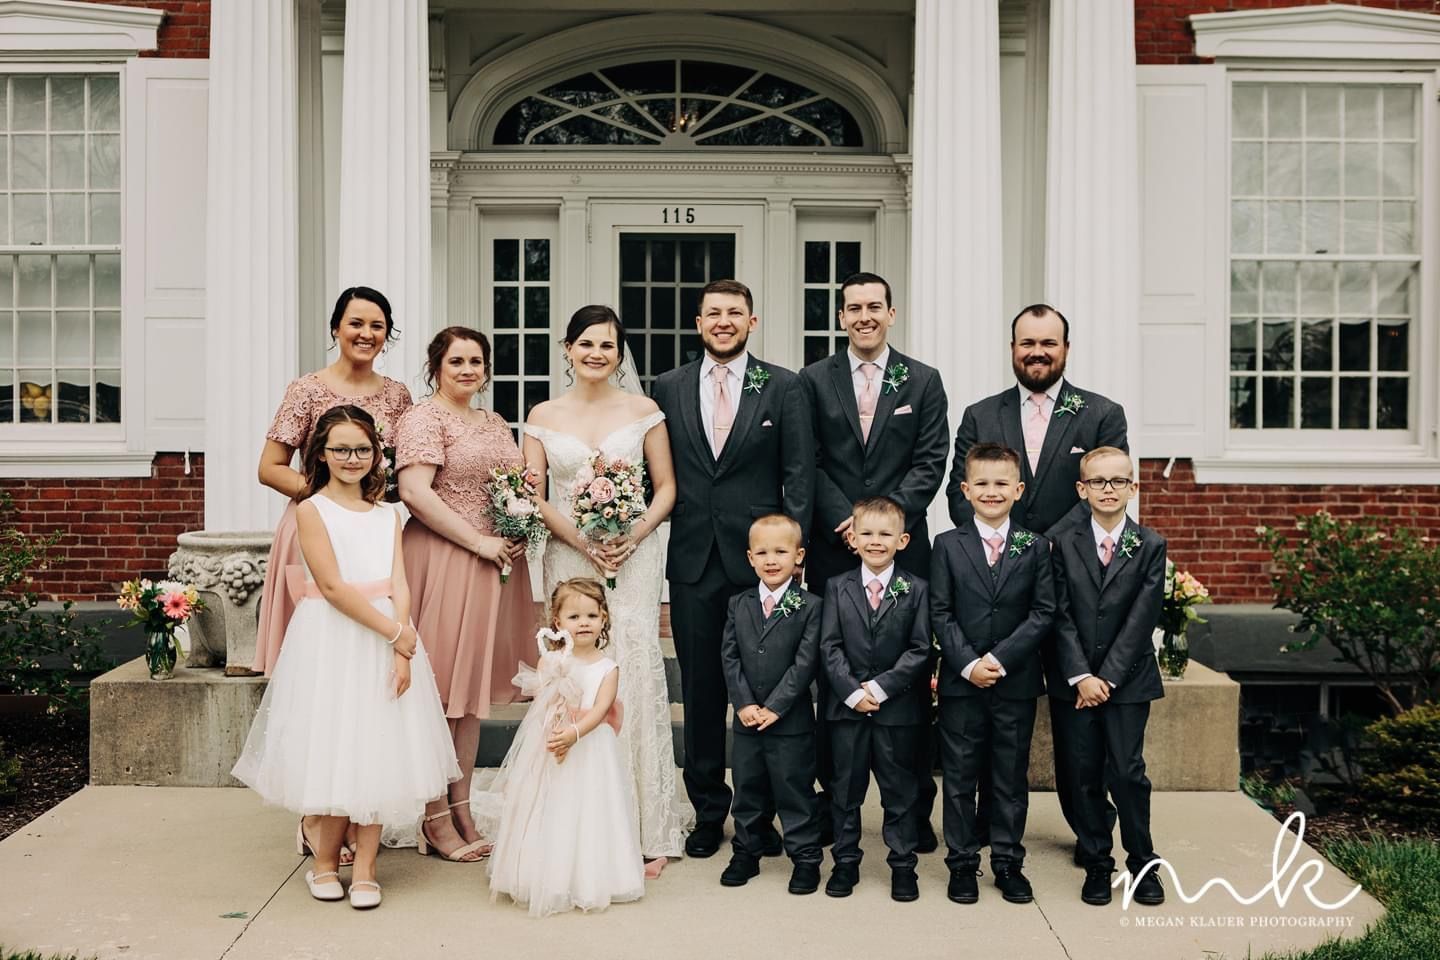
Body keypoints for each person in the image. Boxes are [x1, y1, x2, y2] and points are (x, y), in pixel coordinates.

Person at [232, 405, 459, 910]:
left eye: (362, 449)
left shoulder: (387, 515)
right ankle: (325, 863)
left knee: (376, 750)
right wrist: (393, 631)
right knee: (337, 748)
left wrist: (402, 646)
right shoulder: (312, 510)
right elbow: (333, 587)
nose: (352, 458)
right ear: (321, 454)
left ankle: (368, 870)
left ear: (376, 454)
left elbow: (399, 581)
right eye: (341, 449)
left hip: (387, 638)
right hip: (335, 638)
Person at [943, 302, 1127, 853]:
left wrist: (1038, 549)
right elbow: (959, 494)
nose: (1038, 352)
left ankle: (1092, 835)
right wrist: (1010, 554)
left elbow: (1102, 493)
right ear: (1012, 349)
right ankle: (983, 830)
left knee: (1076, 726)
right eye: (1028, 343)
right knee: (991, 713)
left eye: (1049, 343)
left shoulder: (1101, 414)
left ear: (1066, 349)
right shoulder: (981, 414)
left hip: (1072, 591)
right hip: (995, 593)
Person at [651, 279, 814, 859]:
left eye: (735, 313)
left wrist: (791, 561)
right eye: (714, 313)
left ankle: (759, 815)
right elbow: (653, 472)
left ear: (752, 321)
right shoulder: (667, 387)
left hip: (762, 565)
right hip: (693, 559)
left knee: (764, 688)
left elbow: (799, 475)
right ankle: (706, 812)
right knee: (700, 691)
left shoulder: (785, 386)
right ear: (698, 323)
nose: (724, 321)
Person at [522, 305, 689, 865]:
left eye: (608, 346)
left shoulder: (643, 411)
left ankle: (642, 825)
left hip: (632, 557)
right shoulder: (542, 414)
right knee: (573, 667)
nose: (597, 354)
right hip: (570, 555)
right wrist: (582, 540)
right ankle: (573, 821)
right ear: (567, 349)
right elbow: (535, 496)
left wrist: (632, 537)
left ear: (620, 355)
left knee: (630, 667)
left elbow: (666, 488)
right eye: (587, 343)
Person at [799, 271, 949, 851]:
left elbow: (931, 460)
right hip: (835, 548)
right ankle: (832, 804)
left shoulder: (924, 380)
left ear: (891, 313)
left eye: (874, 306)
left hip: (903, 550)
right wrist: (848, 521)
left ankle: (913, 809)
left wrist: (884, 523)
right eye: (853, 308)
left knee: (909, 678)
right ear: (841, 317)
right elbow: (809, 459)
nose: (864, 316)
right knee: (832, 671)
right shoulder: (815, 380)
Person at [395, 327, 536, 862]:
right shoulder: (424, 418)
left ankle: (462, 807)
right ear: (436, 366)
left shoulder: (494, 421)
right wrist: (478, 540)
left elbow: (512, 487)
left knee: (470, 698)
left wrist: (517, 528)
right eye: (456, 361)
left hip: (493, 564)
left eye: (476, 361)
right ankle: (434, 816)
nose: (468, 369)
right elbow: (414, 492)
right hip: (444, 558)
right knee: (439, 694)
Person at [254, 287, 413, 677]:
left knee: (373, 653)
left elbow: (401, 467)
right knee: (316, 655)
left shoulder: (397, 395)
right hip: (316, 525)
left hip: (372, 530)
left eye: (377, 326)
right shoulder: (307, 390)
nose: (366, 334)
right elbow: (270, 467)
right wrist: (332, 500)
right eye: (356, 323)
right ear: (335, 329)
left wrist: (370, 500)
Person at [929, 443, 1055, 906]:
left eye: (1002, 483)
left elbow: (1043, 611)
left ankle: (1007, 861)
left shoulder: (1036, 546)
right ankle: (962, 863)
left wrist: (999, 661)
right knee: (960, 777)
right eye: (981, 483)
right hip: (962, 683)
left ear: (1019, 490)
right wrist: (968, 664)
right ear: (965, 490)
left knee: (1008, 777)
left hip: (1014, 682)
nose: (991, 491)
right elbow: (940, 612)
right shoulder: (947, 545)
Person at [483, 579, 648, 917]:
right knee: (552, 805)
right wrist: (556, 736)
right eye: (574, 617)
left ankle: (592, 878)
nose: (584, 623)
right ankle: (548, 876)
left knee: (589, 808)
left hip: (591, 745)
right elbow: (543, 704)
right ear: (557, 622)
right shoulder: (551, 662)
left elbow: (601, 710)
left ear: (604, 618)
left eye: (591, 615)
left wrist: (574, 733)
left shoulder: (608, 667)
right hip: (553, 740)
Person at [1048, 447, 1166, 908]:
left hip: (1128, 681)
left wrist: (1107, 678)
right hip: (1074, 681)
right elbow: (1058, 613)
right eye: (1098, 481)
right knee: (1082, 774)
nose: (1108, 489)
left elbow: (1142, 619)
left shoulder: (1150, 545)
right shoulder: (1062, 543)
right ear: (1082, 490)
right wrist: (1081, 674)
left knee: (1127, 772)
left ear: (1133, 487)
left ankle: (1143, 862)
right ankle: (1098, 862)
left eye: (1118, 481)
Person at [820, 496, 931, 902]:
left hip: (896, 711)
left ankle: (902, 865)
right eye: (866, 533)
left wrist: (880, 688)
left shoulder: (916, 589)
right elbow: (829, 645)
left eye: (885, 534)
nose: (875, 541)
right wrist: (852, 691)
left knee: (899, 792)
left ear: (903, 540)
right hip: (847, 710)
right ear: (852, 538)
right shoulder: (837, 587)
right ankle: (845, 862)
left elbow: (920, 648)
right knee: (845, 791)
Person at [718, 514, 824, 895]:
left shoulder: (811, 606)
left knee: (794, 790)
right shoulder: (739, 604)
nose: (771, 560)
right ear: (750, 558)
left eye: (781, 551)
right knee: (747, 790)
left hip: (790, 722)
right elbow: (730, 656)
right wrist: (743, 703)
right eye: (762, 552)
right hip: (747, 721)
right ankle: (747, 851)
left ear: (799, 556)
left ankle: (806, 857)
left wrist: (777, 705)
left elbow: (805, 663)